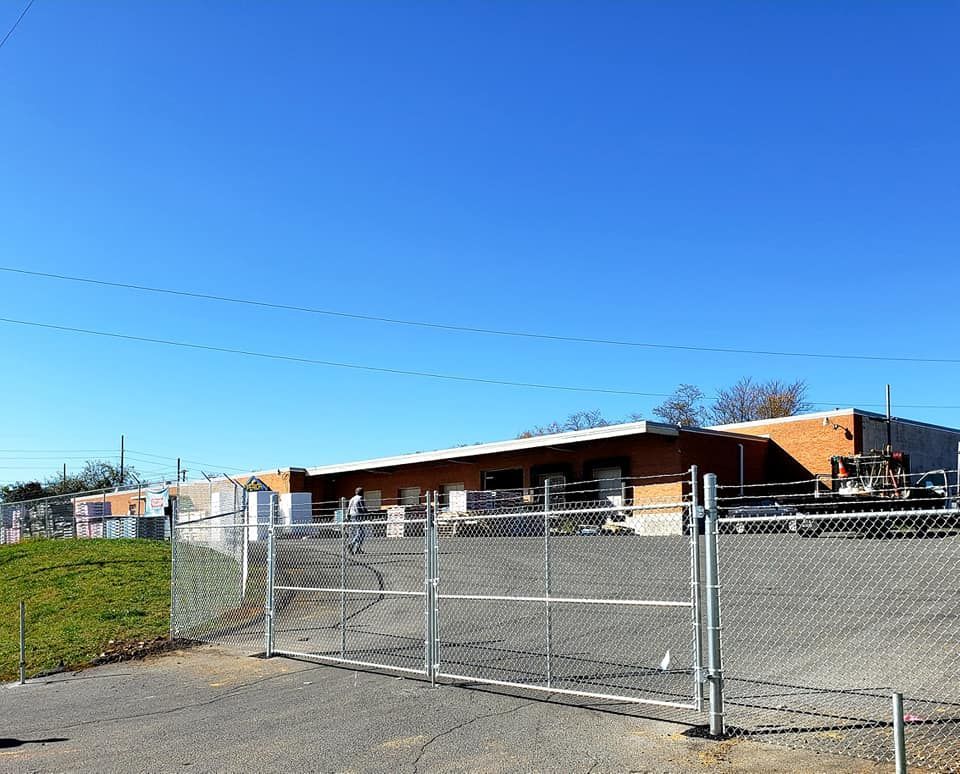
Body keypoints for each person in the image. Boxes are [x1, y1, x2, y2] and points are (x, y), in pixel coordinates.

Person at [347, 487, 367, 555]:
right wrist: (367, 513)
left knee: (359, 532)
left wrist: (347, 515)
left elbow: (348, 508)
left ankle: (358, 548)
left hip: (352, 516)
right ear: (362, 492)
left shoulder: (352, 498)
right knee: (361, 532)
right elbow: (362, 507)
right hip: (358, 516)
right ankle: (352, 544)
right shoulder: (360, 498)